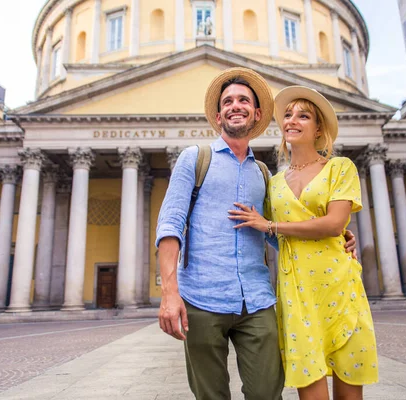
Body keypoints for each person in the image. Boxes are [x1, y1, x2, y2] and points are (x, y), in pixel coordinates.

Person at [155, 69, 357, 400]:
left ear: (257, 113)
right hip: (203, 298)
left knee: (267, 392)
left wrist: (335, 239)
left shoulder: (264, 174)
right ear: (219, 115)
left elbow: (277, 233)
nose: (236, 106)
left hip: (257, 300)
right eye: (228, 102)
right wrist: (169, 292)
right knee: (211, 395)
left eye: (244, 100)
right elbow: (171, 223)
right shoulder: (195, 158)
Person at [229, 86, 378, 400]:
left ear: (318, 127)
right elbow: (274, 235)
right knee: (310, 390)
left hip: (339, 286)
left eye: (303, 115)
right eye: (287, 115)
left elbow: (334, 223)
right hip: (296, 291)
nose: (292, 121)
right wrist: (267, 227)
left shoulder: (339, 168)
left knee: (349, 390)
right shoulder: (274, 183)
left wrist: (275, 224)